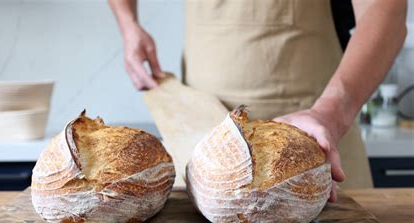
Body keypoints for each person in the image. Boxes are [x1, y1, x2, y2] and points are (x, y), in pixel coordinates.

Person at [108, 0, 407, 201]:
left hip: (319, 132)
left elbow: (386, 11)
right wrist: (127, 24)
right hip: (205, 137)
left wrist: (330, 113)